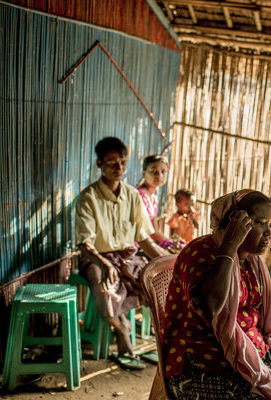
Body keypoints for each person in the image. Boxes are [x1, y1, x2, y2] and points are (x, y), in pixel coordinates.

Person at [161, 190, 271, 399]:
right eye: (261, 222)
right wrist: (229, 246)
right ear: (235, 224)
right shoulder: (201, 253)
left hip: (253, 361)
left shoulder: (252, 262)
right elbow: (209, 306)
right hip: (202, 368)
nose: (270, 232)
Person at [75, 137, 167, 369]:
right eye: (111, 163)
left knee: (157, 282)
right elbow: (84, 244)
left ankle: (160, 343)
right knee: (102, 284)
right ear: (99, 163)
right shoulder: (88, 198)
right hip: (96, 258)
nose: (119, 168)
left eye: (122, 162)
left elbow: (144, 238)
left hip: (127, 257)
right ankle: (122, 332)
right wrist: (105, 264)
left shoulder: (132, 195)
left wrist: (166, 262)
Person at [137, 155, 174, 250]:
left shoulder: (154, 198)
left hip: (147, 244)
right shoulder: (139, 195)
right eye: (153, 171)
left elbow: (155, 230)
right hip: (137, 245)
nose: (159, 175)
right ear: (144, 173)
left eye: (163, 171)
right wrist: (170, 243)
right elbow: (151, 232)